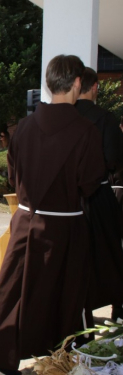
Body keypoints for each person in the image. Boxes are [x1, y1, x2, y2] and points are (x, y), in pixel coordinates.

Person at [0, 55, 106, 375]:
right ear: (77, 83)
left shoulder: (23, 126)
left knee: (15, 291)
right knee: (61, 293)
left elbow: (13, 176)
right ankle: (56, 356)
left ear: (49, 84)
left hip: (25, 220)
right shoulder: (86, 131)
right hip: (65, 225)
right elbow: (90, 183)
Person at [75, 67, 123, 320]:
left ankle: (79, 311)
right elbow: (113, 159)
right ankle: (117, 309)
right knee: (109, 255)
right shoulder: (106, 118)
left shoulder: (67, 117)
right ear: (94, 87)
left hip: (70, 199)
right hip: (99, 196)